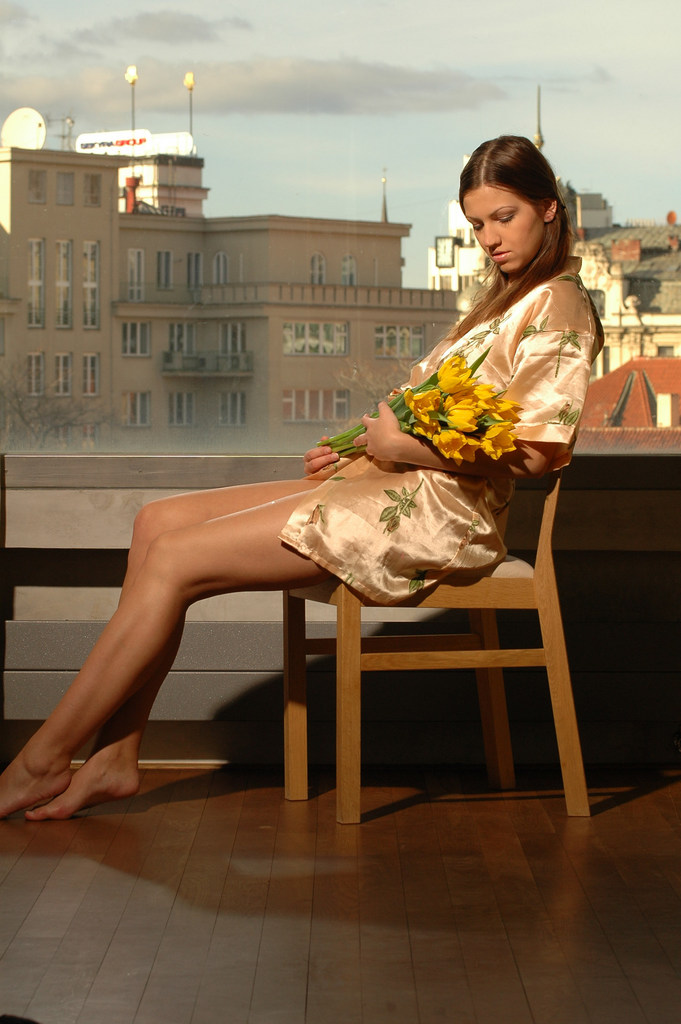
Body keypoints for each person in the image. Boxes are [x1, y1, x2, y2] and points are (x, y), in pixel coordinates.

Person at [0, 135, 603, 821]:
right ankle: (114, 757)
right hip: (399, 487)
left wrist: (399, 447)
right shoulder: (501, 302)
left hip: (441, 518)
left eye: (503, 217)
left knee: (172, 557)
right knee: (155, 522)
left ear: (547, 208)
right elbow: (440, 423)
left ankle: (42, 760)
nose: (489, 238)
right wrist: (362, 450)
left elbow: (537, 455)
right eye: (475, 224)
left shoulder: (558, 305)